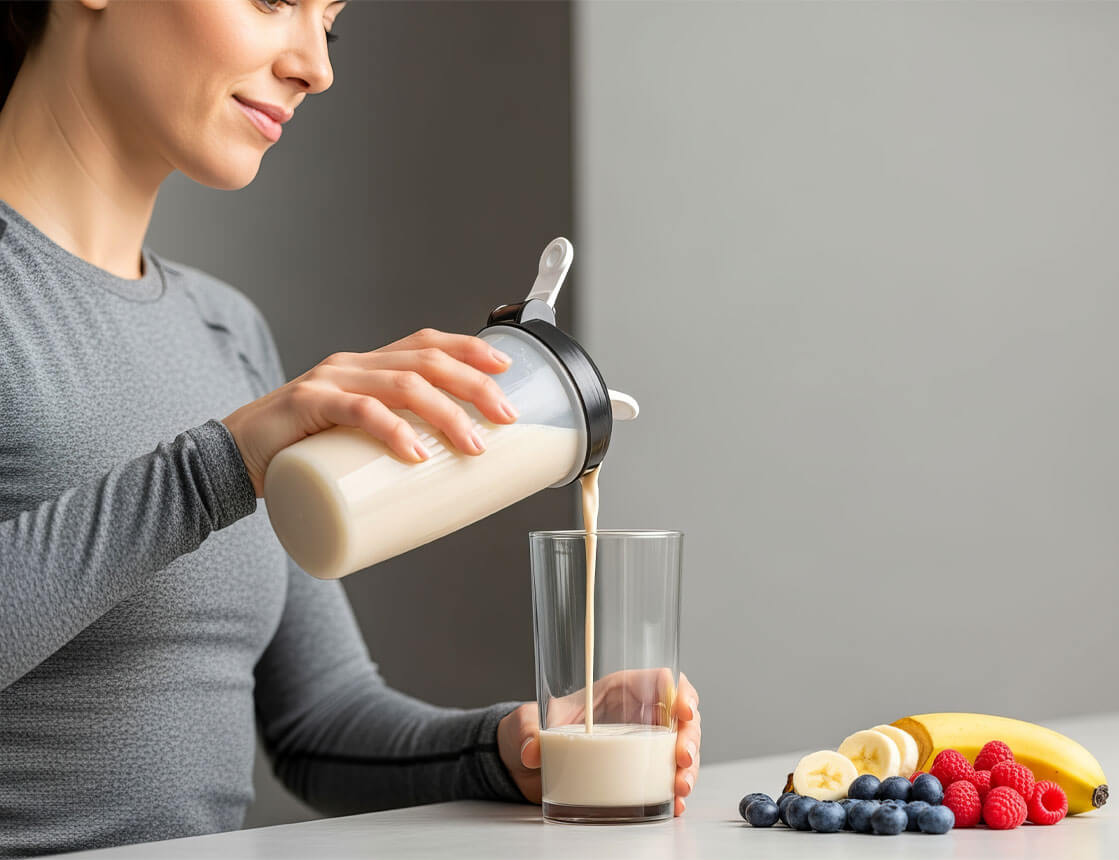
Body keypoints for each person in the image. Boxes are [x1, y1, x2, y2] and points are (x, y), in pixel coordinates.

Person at [0, 1, 702, 856]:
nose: (316, 67)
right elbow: (212, 474)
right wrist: (218, 467)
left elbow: (317, 720)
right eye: (271, 1)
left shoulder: (222, 329)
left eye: (329, 25)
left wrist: (514, 748)